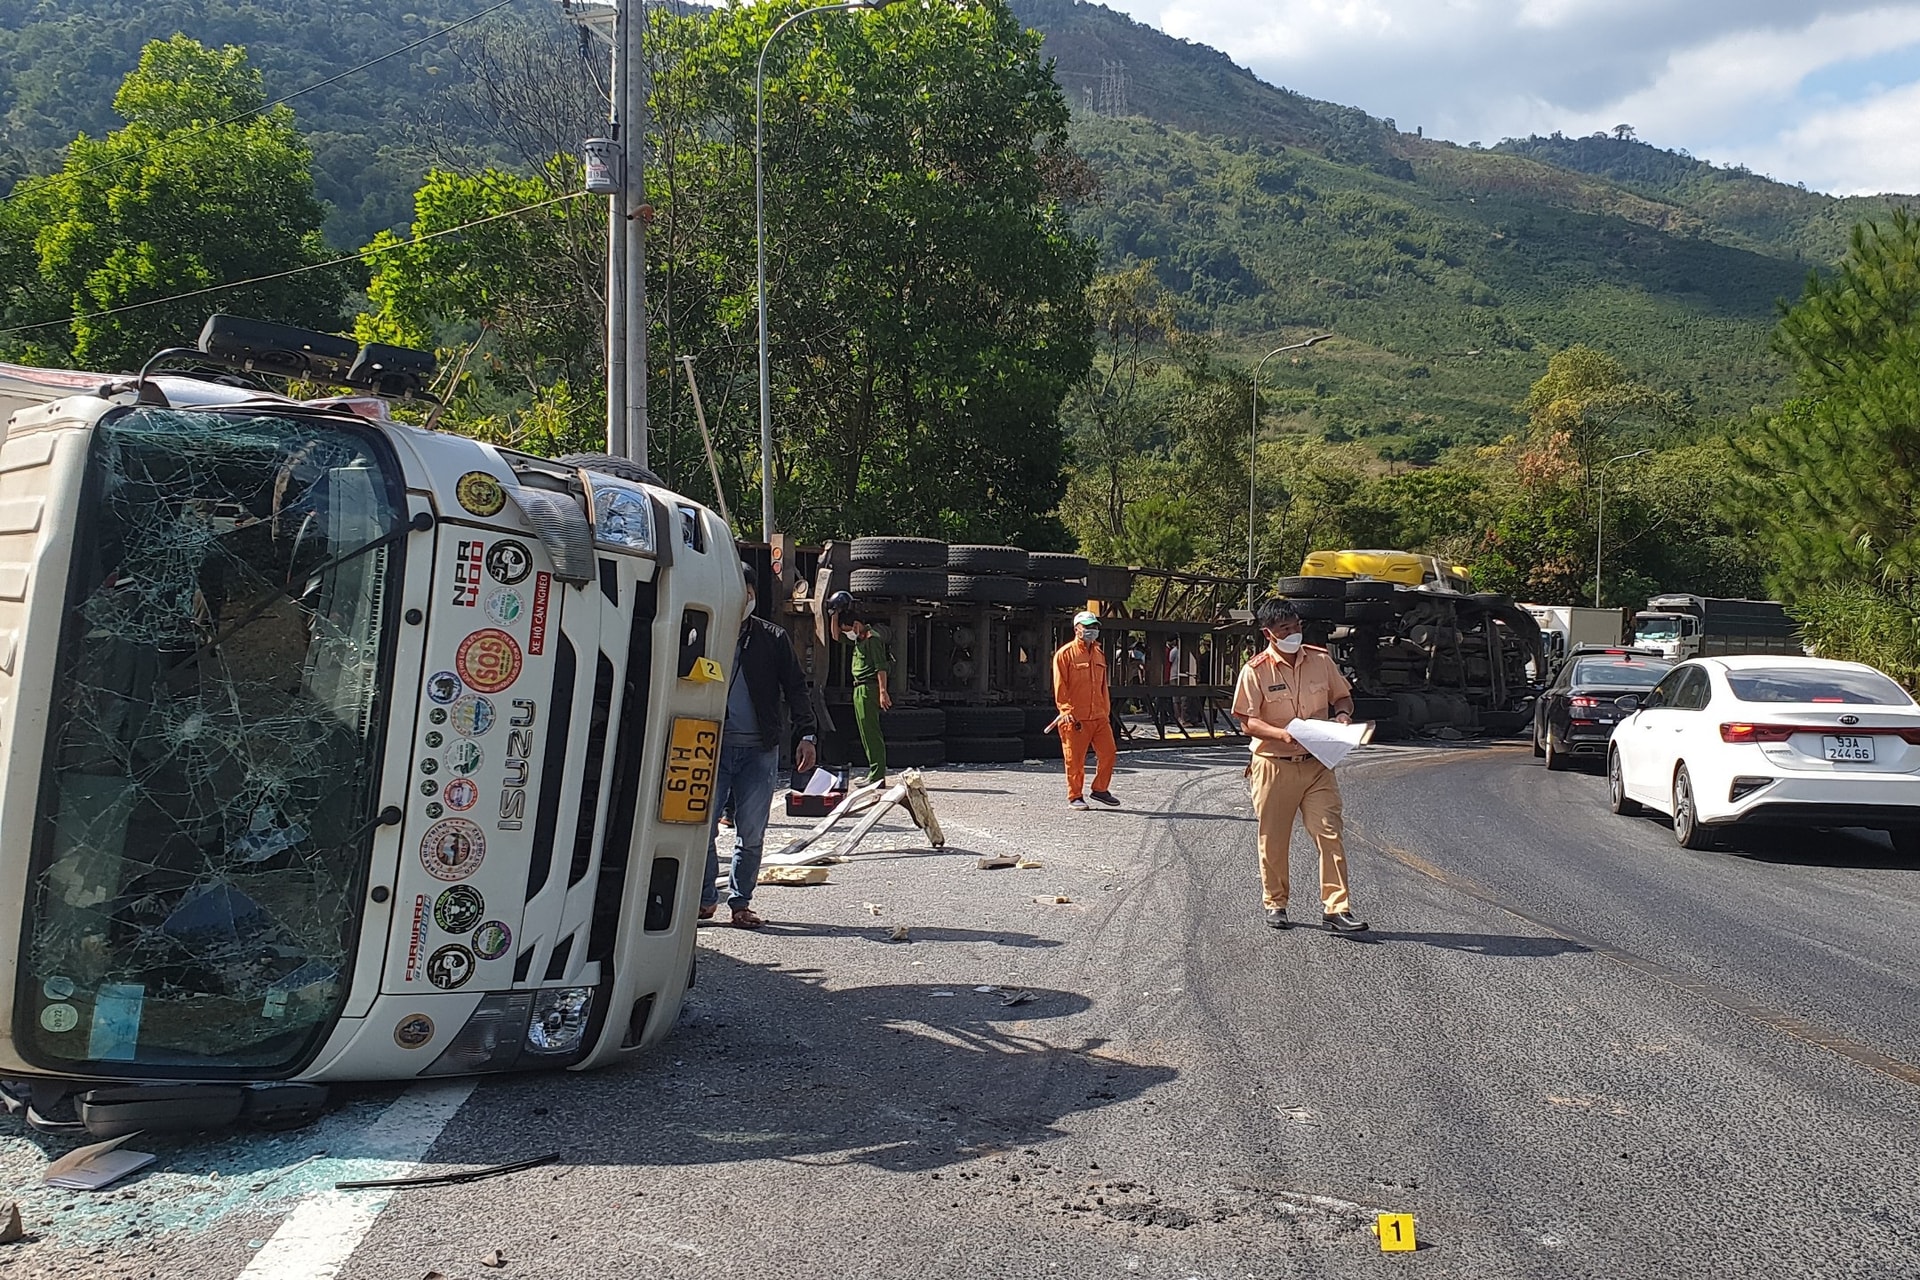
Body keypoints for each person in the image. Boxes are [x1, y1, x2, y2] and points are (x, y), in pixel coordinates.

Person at [1230, 598, 1368, 933]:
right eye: (1284, 630)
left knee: (1330, 833)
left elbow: (1342, 696)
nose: (1293, 633)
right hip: (1274, 764)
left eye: (1296, 626)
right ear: (1269, 634)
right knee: (1274, 838)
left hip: (1318, 764)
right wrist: (1282, 734)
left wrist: (1344, 716)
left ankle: (1337, 908)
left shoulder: (1320, 660)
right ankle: (1276, 903)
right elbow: (1247, 720)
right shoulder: (1256, 670)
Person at [704, 564, 817, 929]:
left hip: (759, 750)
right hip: (709, 748)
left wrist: (807, 735)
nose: (742, 598)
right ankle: (706, 899)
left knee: (751, 832)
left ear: (752, 594)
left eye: (747, 591)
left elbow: (797, 687)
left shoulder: (772, 638)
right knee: (702, 828)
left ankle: (740, 903)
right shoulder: (701, 633)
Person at [1052, 610, 1119, 810]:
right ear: (1077, 629)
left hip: (1098, 715)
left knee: (1109, 752)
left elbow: (1102, 686)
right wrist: (1065, 710)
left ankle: (1100, 789)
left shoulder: (1099, 653)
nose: (1092, 630)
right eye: (1088, 627)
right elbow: (1060, 684)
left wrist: (1105, 710)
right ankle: (1075, 795)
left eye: (1095, 626)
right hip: (1075, 717)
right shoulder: (1065, 654)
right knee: (1075, 759)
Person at [827, 590, 891, 785]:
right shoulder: (858, 639)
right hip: (858, 689)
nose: (848, 632)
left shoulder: (873, 639)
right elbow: (836, 636)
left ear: (856, 624)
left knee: (871, 731)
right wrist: (835, 614)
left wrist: (882, 692)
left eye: (849, 628)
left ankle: (878, 774)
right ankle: (874, 772)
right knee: (865, 732)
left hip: (869, 688)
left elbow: (881, 668)